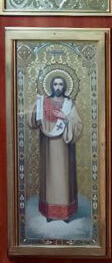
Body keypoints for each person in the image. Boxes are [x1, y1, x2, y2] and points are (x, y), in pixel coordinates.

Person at [28, 74, 83, 222]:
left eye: (60, 84)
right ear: (51, 86)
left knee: (64, 178)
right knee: (50, 178)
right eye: (55, 84)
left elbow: (78, 125)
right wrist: (37, 106)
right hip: (48, 148)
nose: (58, 87)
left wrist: (65, 117)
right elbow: (34, 121)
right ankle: (50, 213)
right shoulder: (44, 101)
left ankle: (65, 213)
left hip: (64, 148)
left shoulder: (69, 104)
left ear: (65, 86)